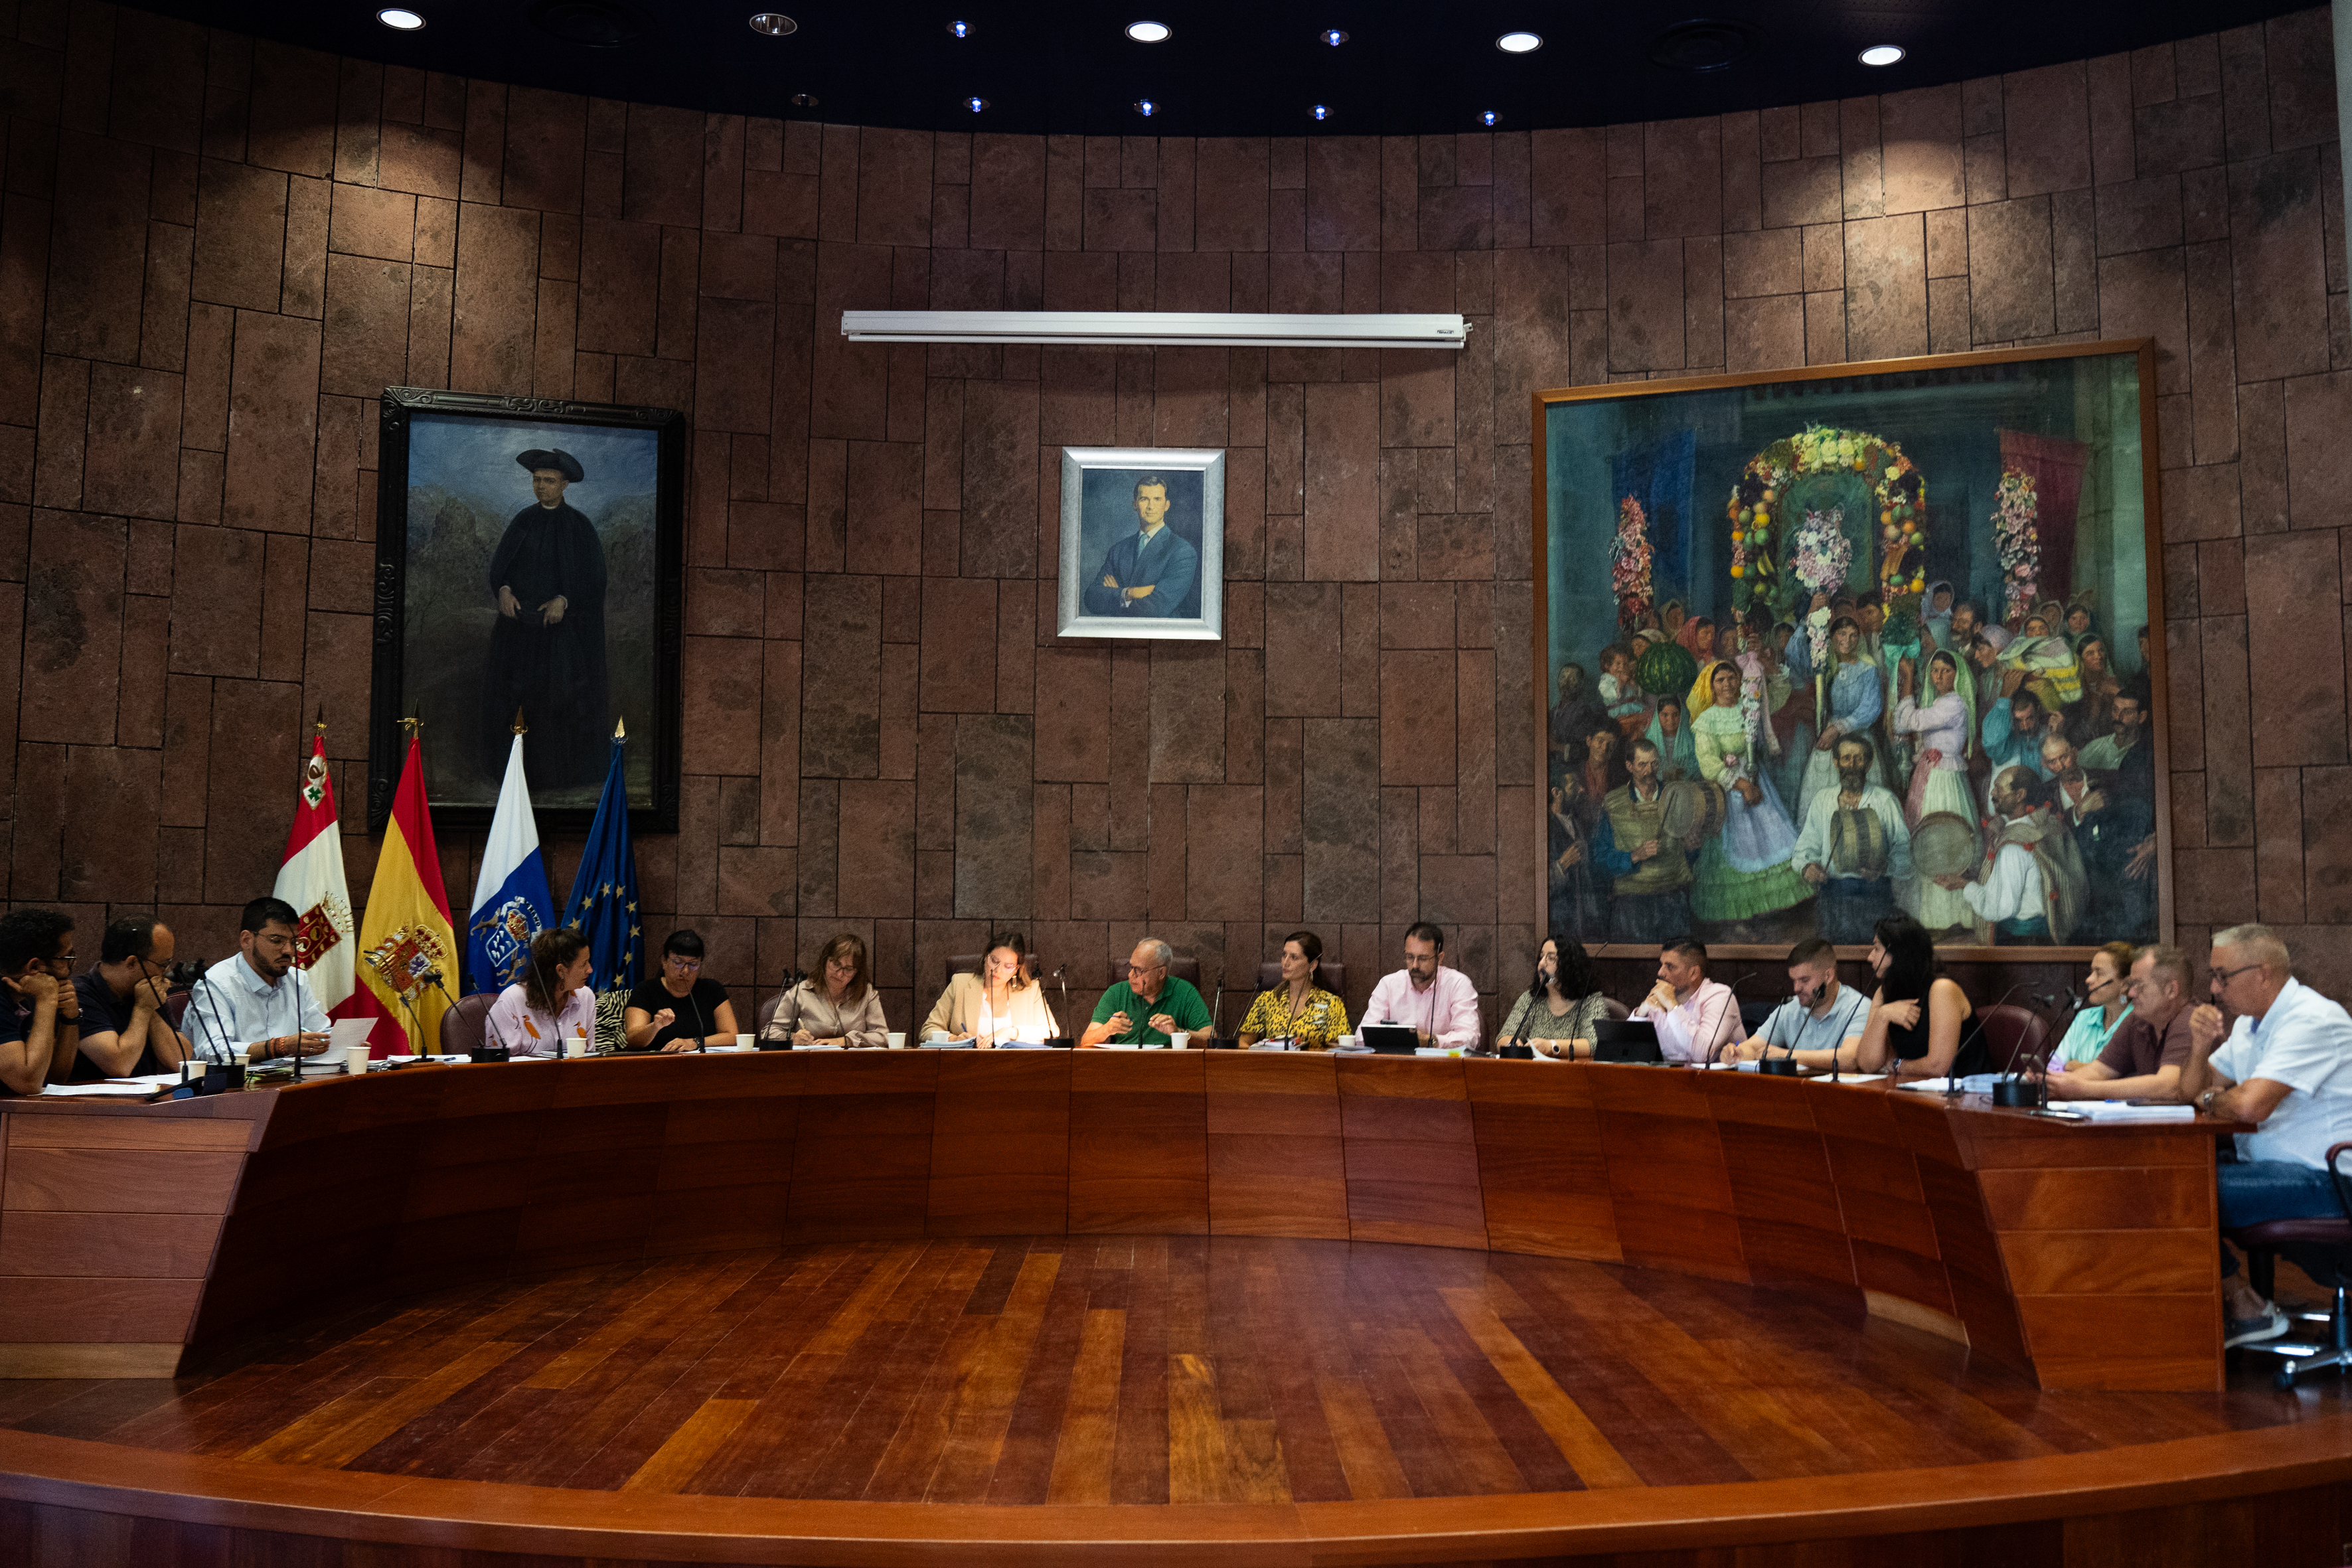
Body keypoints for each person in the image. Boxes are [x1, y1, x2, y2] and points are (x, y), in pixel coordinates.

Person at [2174, 925, 2352, 1347]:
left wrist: (2212, 1097)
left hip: (2329, 1180)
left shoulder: (2312, 1019)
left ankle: (2245, 1308)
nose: (2215, 989)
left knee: (2178, 1187)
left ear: (2263, 973)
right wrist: (2200, 1048)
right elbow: (2189, 1092)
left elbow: (2251, 1107)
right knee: (2167, 1172)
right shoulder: (2249, 1027)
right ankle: (2240, 1302)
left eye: (2223, 976)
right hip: (2275, 1170)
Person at [482, 446, 609, 791]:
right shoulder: (523, 520)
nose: (541, 487)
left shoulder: (579, 526)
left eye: (549, 481)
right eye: (537, 480)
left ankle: (556, 777)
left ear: (565, 485)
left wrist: (564, 600)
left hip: (560, 636)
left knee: (558, 700)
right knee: (513, 696)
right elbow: (501, 569)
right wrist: (505, 590)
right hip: (518, 631)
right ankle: (511, 773)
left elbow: (594, 580)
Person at [1687, 659, 1809, 925]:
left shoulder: (1750, 706)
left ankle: (1771, 913)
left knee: (1771, 837)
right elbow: (1708, 763)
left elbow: (1777, 694)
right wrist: (1742, 786)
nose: (1728, 684)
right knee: (1740, 845)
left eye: (1732, 678)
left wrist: (1767, 665)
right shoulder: (1707, 720)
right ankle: (1741, 920)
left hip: (1758, 778)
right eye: (1720, 680)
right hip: (1729, 791)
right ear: (1711, 687)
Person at [1933, 765, 2084, 944]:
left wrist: (1963, 885)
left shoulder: (2013, 848)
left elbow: (1999, 909)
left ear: (2020, 795)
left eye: (1999, 788)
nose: (1992, 794)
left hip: (2023, 941)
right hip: (2046, 932)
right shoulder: (2045, 824)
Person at [1791, 736, 1912, 944]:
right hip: (1833, 896)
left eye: (1859, 759)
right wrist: (1807, 866)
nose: (1853, 765)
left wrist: (1885, 867)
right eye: (1846, 758)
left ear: (1869, 764)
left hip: (1875, 896)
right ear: (1836, 762)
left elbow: (1905, 853)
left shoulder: (1885, 801)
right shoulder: (1822, 801)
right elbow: (1803, 850)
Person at [1890, 649, 1978, 933]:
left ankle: (1946, 916)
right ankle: (1928, 915)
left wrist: (1906, 683)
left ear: (1958, 675)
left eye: (1946, 671)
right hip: (1931, 774)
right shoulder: (1939, 701)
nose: (1939, 676)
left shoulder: (1954, 704)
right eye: (1935, 670)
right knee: (1925, 842)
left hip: (1944, 779)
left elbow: (1907, 722)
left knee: (1943, 841)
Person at [187, 898, 333, 1063]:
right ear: (247, 940)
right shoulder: (215, 983)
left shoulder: (298, 979)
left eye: (294, 942)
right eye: (277, 940)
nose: (288, 951)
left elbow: (321, 1034)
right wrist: (278, 1047)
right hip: (234, 1085)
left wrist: (345, 1044)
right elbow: (212, 1051)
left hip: (286, 1082)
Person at [2045, 945, 2195, 1102]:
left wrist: (2083, 1088)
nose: (2131, 993)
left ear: (2171, 990)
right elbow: (2099, 1071)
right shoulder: (2137, 1020)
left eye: (2140, 985)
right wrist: (2049, 1083)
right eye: (2132, 985)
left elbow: (2169, 1085)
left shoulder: (2190, 1020)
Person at [1853, 913, 1994, 1080]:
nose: (1870, 957)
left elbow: (1938, 1067)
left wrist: (1897, 1065)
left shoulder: (1942, 989)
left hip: (1969, 1095)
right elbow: (1867, 1065)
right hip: (1917, 1091)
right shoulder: (1884, 992)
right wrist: (1882, 1015)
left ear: (1898, 953)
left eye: (1877, 949)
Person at [1590, 738, 1700, 944]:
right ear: (1629, 766)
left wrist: (1692, 849)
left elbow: (1691, 856)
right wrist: (1633, 856)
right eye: (1642, 765)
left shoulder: (1677, 796)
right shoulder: (1613, 803)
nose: (1650, 770)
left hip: (1673, 899)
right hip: (1631, 904)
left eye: (1654, 763)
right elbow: (1599, 858)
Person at [68, 914, 190, 1079]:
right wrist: (143, 1009)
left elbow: (182, 1060)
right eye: (163, 964)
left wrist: (150, 1010)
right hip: (92, 1102)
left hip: (145, 1100)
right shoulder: (79, 994)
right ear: (132, 963)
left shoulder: (145, 992)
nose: (166, 973)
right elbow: (120, 1066)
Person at [1723, 937, 1872, 1070]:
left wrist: (1787, 1055)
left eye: (1805, 980)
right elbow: (1754, 1047)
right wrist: (1737, 1052)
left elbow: (1850, 1058)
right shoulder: (1791, 1009)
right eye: (1794, 980)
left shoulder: (1859, 1007)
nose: (1796, 989)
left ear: (1828, 976)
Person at [1790, 613, 1885, 805]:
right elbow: (1793, 655)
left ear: (1859, 639)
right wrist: (1805, 621)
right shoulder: (1822, 665)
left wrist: (1838, 729)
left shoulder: (1867, 669)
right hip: (1828, 737)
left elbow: (1871, 708)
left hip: (1859, 736)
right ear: (1832, 637)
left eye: (1853, 635)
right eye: (1842, 634)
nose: (1847, 641)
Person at [1081, 473, 1200, 619]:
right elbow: (1092, 598)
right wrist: (1130, 593)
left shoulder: (1182, 551)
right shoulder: (1118, 550)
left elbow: (1156, 609)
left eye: (1157, 499)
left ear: (1167, 505)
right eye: (1144, 499)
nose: (1151, 506)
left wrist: (1117, 595)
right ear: (1135, 504)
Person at [921, 930, 1059, 1046]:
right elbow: (928, 1030)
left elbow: (1052, 1031)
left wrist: (1012, 1032)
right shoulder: (960, 984)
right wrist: (954, 1040)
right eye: (994, 961)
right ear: (986, 957)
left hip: (1016, 1068)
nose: (997, 970)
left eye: (1008, 966)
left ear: (1017, 969)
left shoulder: (1030, 991)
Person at [1364, 923, 1481, 1051]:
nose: (1415, 965)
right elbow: (1362, 1034)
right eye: (1410, 957)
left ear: (1439, 958)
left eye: (1423, 958)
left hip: (1443, 1066)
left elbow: (1470, 1038)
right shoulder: (1388, 985)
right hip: (1396, 1065)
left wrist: (1431, 1041)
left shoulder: (1458, 984)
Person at [762, 932, 891, 1048]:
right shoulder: (801, 992)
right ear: (825, 961)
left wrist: (847, 1041)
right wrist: (793, 1038)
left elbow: (883, 1037)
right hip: (808, 1066)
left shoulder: (867, 994)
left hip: (854, 1068)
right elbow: (769, 1033)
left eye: (848, 969)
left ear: (857, 972)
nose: (840, 974)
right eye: (836, 964)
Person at [0, 908, 79, 1095]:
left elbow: (54, 1079)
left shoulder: (28, 997)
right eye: (66, 957)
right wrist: (46, 1000)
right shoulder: (41, 996)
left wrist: (71, 1018)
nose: (72, 964)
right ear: (35, 966)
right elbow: (28, 1083)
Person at [1495, 935, 1611, 1059]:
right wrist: (1512, 1045)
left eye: (1550, 958)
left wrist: (1552, 1047)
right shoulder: (1530, 998)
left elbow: (1594, 1043)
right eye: (1541, 957)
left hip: (1574, 1075)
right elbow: (1504, 1037)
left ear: (1569, 966)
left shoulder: (1591, 1001)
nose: (1541, 963)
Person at [623, 929, 740, 1052]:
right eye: (678, 963)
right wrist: (655, 1026)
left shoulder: (712, 989)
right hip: (656, 1065)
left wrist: (696, 1042)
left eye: (693, 964)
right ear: (664, 961)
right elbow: (632, 1040)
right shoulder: (645, 990)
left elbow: (732, 1037)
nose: (685, 971)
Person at [486, 927, 595, 1058]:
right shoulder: (511, 1001)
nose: (590, 970)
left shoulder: (586, 997)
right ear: (560, 971)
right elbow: (499, 1064)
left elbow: (589, 1057)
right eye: (584, 964)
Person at [1083, 937, 1212, 1046]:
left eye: (1139, 970)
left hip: (1171, 1067)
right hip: (1123, 1067)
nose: (1130, 975)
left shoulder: (1185, 992)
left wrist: (1179, 1032)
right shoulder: (1116, 993)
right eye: (1131, 967)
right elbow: (1086, 1041)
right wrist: (1106, 1030)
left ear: (1161, 972)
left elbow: (1211, 1037)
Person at [1632, 939, 1741, 1063]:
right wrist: (1641, 1013)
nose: (1660, 972)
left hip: (1717, 1080)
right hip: (1668, 1078)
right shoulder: (1661, 996)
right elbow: (1625, 1051)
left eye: (1670, 966)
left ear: (1693, 973)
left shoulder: (1720, 995)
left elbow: (1703, 1054)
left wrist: (1672, 1006)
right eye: (1661, 965)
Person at [1239, 931, 1349, 1049]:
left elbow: (1339, 1049)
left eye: (1294, 957)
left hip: (1313, 1066)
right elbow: (1244, 1043)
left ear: (1312, 965)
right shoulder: (1266, 1000)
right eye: (1284, 955)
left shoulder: (1331, 1004)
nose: (1285, 963)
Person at [2045, 941, 2139, 1070]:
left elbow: (2128, 1077)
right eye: (2091, 972)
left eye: (2099, 973)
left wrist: (2076, 1067)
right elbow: (2054, 1066)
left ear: (2125, 984)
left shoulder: (2139, 1022)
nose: (2089, 980)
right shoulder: (2084, 1017)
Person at [1546, 775, 1605, 945]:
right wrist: (1562, 865)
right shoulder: (1545, 826)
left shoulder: (1579, 823)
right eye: (1574, 786)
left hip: (1583, 919)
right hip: (1560, 920)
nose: (1581, 789)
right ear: (1557, 792)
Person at [1646, 694, 1698, 781]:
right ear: (1657, 715)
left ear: (1682, 715)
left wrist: (1684, 772)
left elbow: (1697, 764)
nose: (1670, 720)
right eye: (1665, 715)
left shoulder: (1691, 738)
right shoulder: (1650, 739)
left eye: (1676, 715)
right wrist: (1663, 775)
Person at [1597, 643, 1648, 734]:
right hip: (1619, 714)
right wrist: (1621, 682)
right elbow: (1616, 697)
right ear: (1607, 666)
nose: (1622, 667)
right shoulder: (1606, 681)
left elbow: (1638, 695)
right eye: (1618, 663)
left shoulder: (1626, 676)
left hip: (1634, 709)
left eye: (1625, 664)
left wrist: (1632, 683)